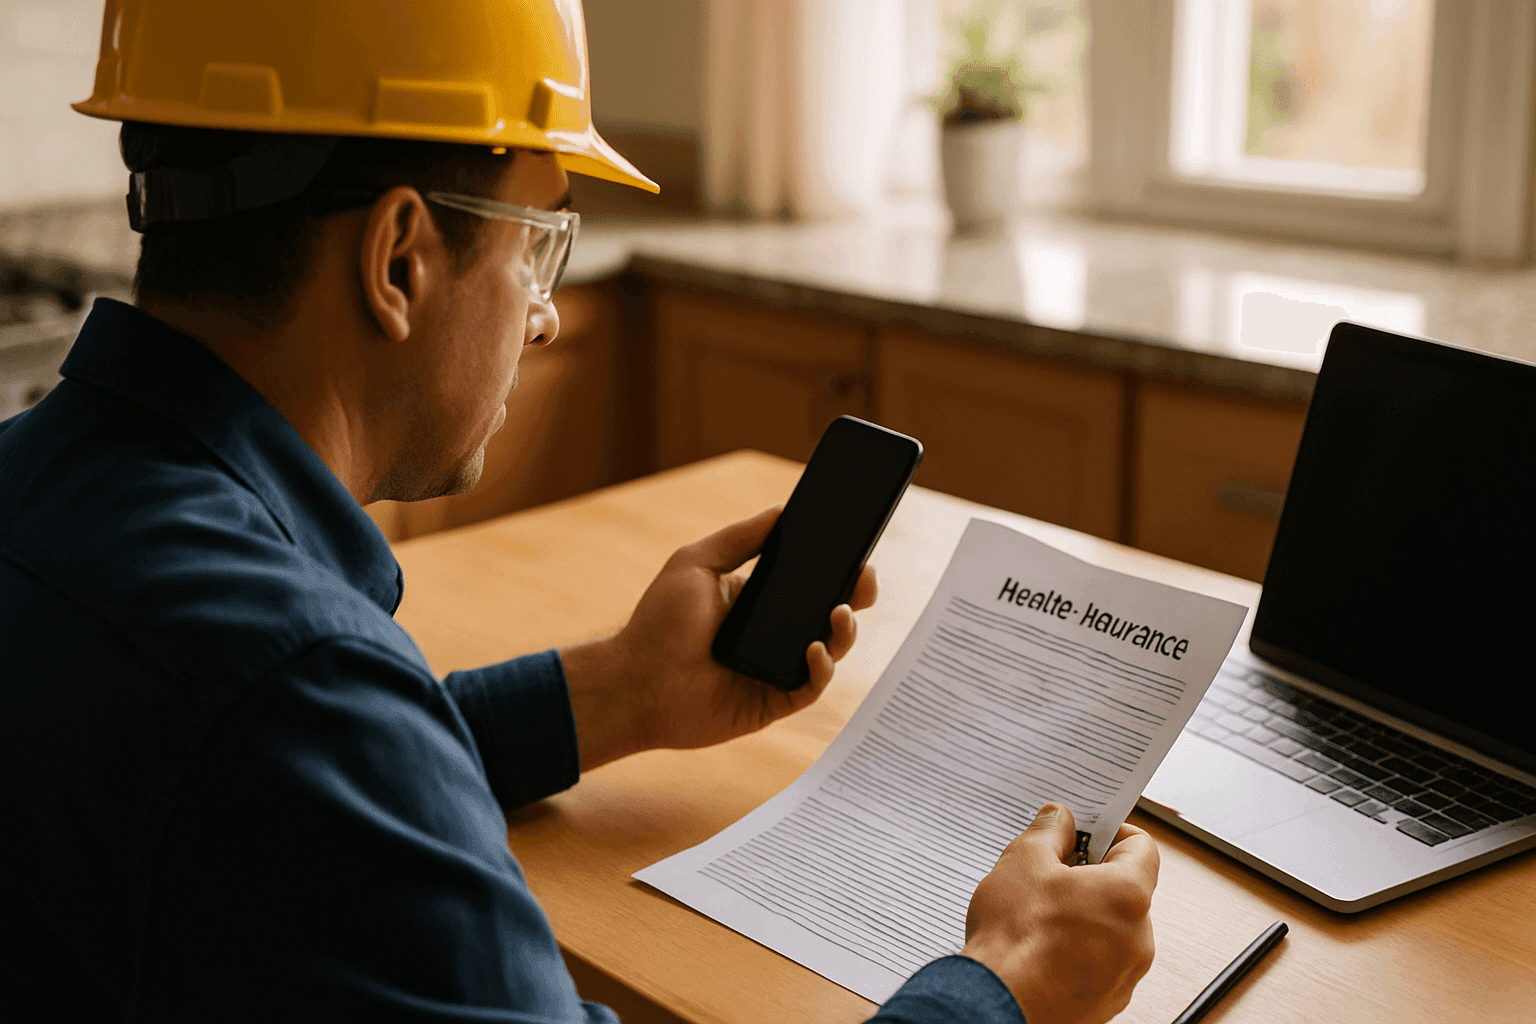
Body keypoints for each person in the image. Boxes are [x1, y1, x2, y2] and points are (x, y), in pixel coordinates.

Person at [0, 2, 1158, 1022]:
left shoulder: (44, 498)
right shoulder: (296, 684)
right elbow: (307, 736)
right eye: (537, 244)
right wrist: (1008, 983)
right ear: (399, 260)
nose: (543, 314)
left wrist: (619, 692)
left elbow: (274, 781)